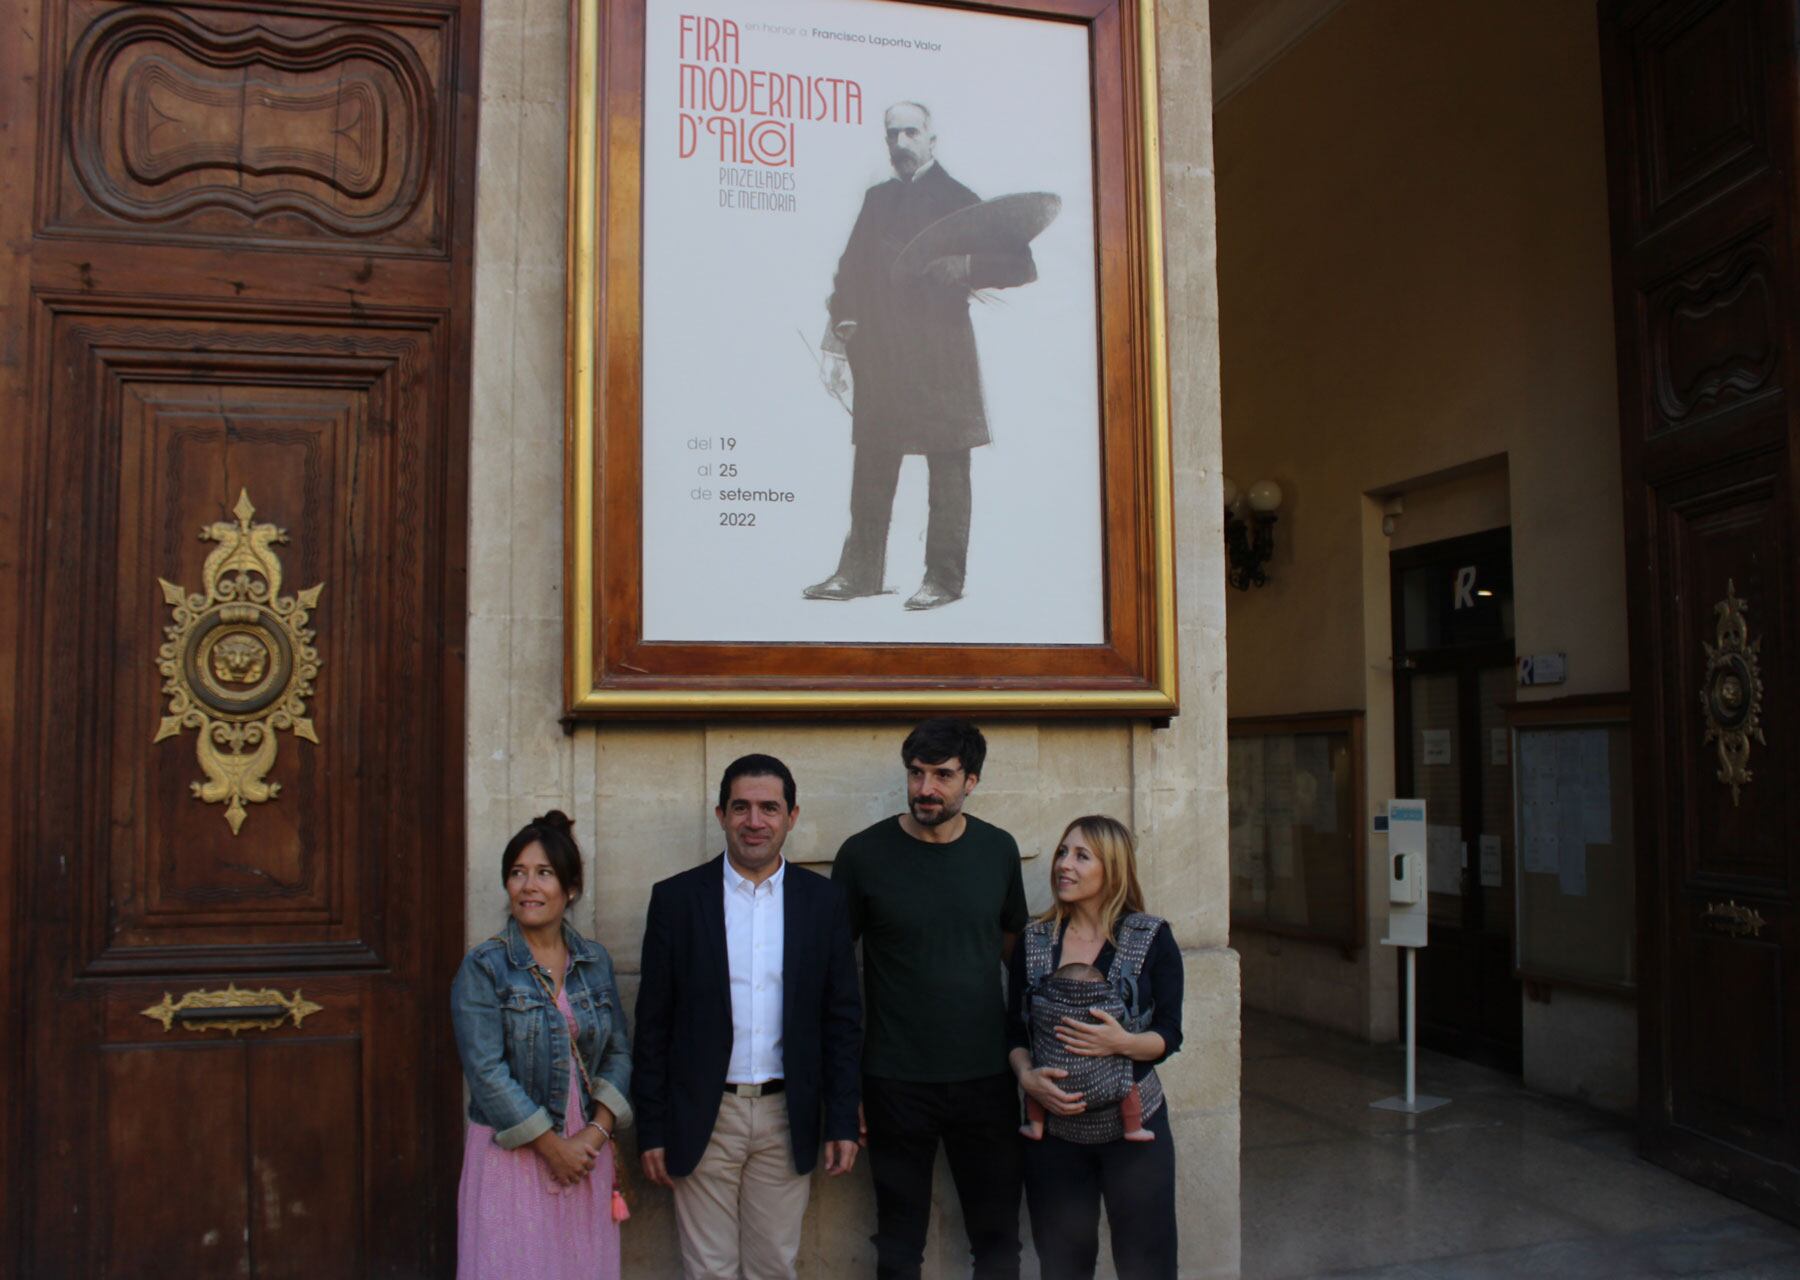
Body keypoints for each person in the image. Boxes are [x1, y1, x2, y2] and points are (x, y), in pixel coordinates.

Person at [633, 754, 863, 1280]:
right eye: (741, 807)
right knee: (708, 1270)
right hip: (704, 1112)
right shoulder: (676, 901)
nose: (754, 821)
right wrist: (651, 1128)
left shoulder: (823, 902)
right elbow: (653, 1026)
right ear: (721, 814)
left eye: (769, 808)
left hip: (787, 1114)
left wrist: (842, 1118)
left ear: (792, 816)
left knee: (774, 1267)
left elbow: (842, 1020)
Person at [804, 101, 1040, 611]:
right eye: (893, 135)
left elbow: (1021, 263)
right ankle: (859, 573)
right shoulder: (877, 200)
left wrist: (967, 265)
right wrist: (844, 327)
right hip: (882, 353)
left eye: (911, 133)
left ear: (933, 139)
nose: (901, 144)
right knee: (873, 462)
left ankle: (944, 579)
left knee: (948, 464)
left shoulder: (959, 198)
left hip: (940, 353)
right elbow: (850, 271)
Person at [831, 718, 1028, 1279]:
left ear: (972, 781)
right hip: (894, 1082)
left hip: (987, 1078)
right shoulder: (862, 855)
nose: (925, 789)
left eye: (942, 775)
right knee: (898, 1246)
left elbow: (1017, 956)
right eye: (916, 773)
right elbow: (833, 976)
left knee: (998, 1242)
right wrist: (846, 1087)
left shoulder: (998, 850)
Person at [450, 811, 633, 1280]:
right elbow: (486, 1073)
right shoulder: (485, 967)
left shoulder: (594, 961)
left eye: (544, 873)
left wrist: (594, 1135)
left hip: (584, 1151)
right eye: (518, 873)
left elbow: (618, 1053)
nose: (528, 886)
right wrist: (554, 1149)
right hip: (514, 1152)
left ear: (570, 888)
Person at [1008, 816, 1184, 1280]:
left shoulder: (1151, 938)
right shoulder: (1034, 940)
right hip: (1054, 1139)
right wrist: (1027, 1077)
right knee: (1062, 1265)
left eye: (1081, 856)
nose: (1064, 865)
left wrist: (1121, 1042)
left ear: (1113, 868)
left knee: (1147, 1263)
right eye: (1062, 852)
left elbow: (1170, 1033)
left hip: (1135, 1133)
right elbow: (1014, 1033)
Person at [1016, 959, 1152, 1143]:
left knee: (1034, 1090)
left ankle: (1035, 1127)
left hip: (1054, 1081)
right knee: (1128, 1088)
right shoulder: (1107, 1006)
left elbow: (1027, 1017)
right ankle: (1133, 1128)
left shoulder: (1043, 1003)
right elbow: (1122, 1013)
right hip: (1105, 1083)